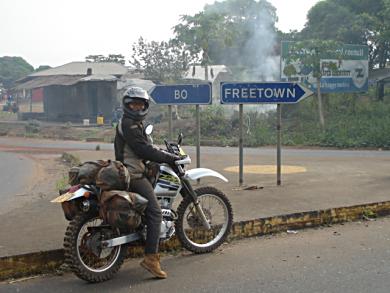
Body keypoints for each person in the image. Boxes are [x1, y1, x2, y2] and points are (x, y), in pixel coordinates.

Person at [114, 86, 180, 279]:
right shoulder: (130, 124)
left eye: (140, 104)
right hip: (133, 174)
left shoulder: (134, 123)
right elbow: (143, 150)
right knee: (155, 212)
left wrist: (159, 152)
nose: (137, 107)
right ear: (127, 105)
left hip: (131, 169)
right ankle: (151, 259)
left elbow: (145, 146)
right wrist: (168, 158)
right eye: (133, 104)